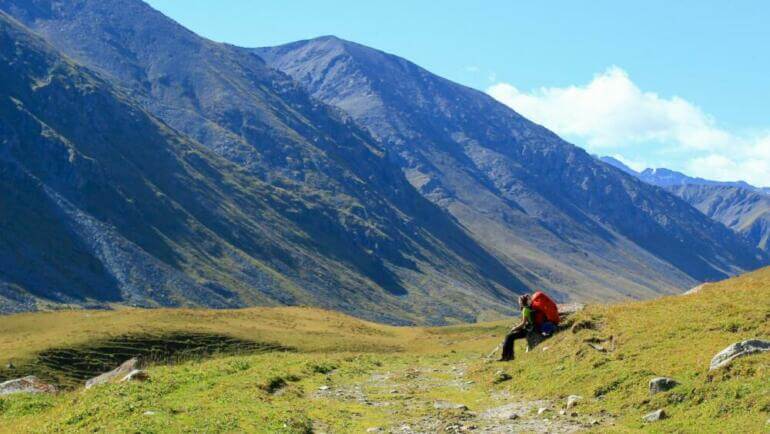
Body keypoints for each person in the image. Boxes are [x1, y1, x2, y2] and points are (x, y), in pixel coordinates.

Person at [499, 294, 535, 361]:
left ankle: (505, 356)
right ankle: (509, 356)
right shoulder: (530, 307)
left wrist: (515, 328)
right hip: (531, 328)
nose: (519, 302)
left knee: (509, 337)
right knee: (510, 337)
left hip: (528, 330)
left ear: (521, 302)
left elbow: (523, 323)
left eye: (519, 301)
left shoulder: (525, 309)